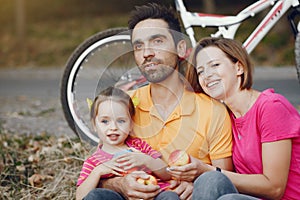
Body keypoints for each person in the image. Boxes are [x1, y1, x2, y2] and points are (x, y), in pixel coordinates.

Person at [85, 3, 234, 200]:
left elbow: (221, 180)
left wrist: (196, 181)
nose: (147, 53)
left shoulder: (212, 110)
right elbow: (101, 165)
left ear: (181, 48)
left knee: (211, 182)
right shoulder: (125, 106)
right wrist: (120, 184)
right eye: (139, 46)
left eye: (157, 41)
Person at [185, 37, 300, 200]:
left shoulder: (271, 107)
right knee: (209, 181)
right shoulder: (224, 117)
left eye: (215, 65)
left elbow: (275, 188)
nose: (207, 75)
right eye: (201, 71)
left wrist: (209, 171)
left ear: (239, 67)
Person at [76, 86, 179, 200]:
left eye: (121, 121)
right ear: (94, 125)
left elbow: (167, 174)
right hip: (120, 197)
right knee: (95, 196)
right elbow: (80, 196)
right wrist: (98, 171)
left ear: (131, 125)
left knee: (170, 196)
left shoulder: (138, 145)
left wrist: (146, 160)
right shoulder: (94, 161)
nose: (113, 127)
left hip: (153, 194)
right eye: (105, 121)